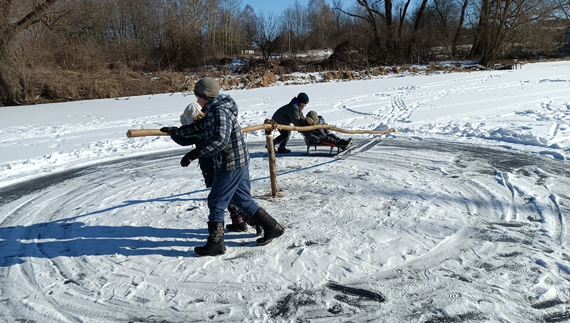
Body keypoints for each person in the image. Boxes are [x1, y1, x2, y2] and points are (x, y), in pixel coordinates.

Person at [160, 77, 284, 257]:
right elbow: (201, 128)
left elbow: (220, 140)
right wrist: (177, 131)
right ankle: (272, 227)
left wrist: (195, 153)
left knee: (216, 202)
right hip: (238, 161)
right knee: (242, 200)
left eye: (197, 96)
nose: (196, 100)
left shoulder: (219, 112)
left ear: (204, 95)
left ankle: (215, 244)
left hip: (230, 163)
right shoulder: (214, 110)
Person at [166, 102, 260, 235]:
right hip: (222, 164)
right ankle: (239, 221)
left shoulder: (200, 127)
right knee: (230, 195)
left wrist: (174, 134)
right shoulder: (212, 120)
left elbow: (185, 140)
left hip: (215, 166)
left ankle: (252, 220)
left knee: (224, 196)